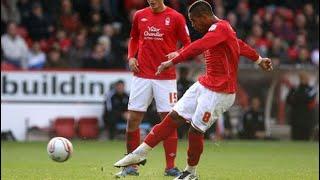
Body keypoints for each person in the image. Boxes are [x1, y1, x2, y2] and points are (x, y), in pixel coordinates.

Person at [114, 1, 273, 180]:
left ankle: (190, 172)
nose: (194, 25)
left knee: (195, 130)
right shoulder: (221, 31)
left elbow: (199, 46)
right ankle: (140, 152)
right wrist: (259, 59)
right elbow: (239, 45)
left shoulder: (221, 28)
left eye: (194, 21)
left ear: (204, 17)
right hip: (205, 84)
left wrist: (172, 61)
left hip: (220, 92)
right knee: (173, 117)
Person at [115, 0, 191, 178]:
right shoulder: (139, 15)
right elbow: (134, 38)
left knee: (169, 120)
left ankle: (170, 167)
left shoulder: (176, 17)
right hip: (141, 75)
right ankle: (131, 165)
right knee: (133, 119)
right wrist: (131, 57)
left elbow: (188, 44)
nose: (151, 1)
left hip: (165, 77)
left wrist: (178, 53)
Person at [286, 72, 317, 140]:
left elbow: (308, 98)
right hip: (296, 118)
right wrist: (298, 99)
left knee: (306, 138)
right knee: (295, 138)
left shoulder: (311, 89)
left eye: (305, 78)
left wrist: (297, 98)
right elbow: (288, 100)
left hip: (308, 119)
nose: (304, 79)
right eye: (302, 78)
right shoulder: (294, 89)